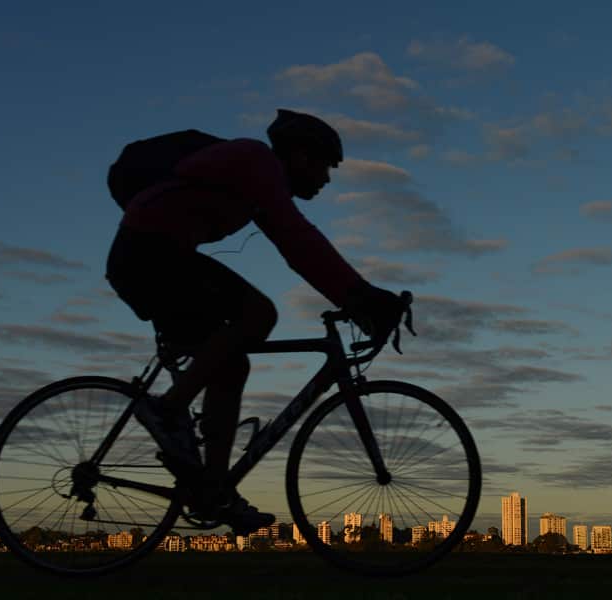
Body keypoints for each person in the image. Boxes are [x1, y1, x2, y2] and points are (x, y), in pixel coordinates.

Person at [105, 109, 405, 535]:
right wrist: (361, 297)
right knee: (259, 314)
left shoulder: (257, 182)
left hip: (158, 258)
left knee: (232, 363)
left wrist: (356, 297)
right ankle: (166, 410)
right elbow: (298, 238)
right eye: (324, 165)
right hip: (149, 256)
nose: (326, 178)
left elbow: (298, 248)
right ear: (299, 154)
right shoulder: (255, 161)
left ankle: (214, 489)